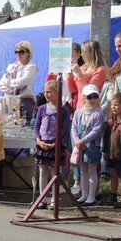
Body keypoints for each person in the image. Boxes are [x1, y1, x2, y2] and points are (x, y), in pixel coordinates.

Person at [33, 80, 71, 209]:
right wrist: (38, 140)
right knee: (42, 170)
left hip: (55, 143)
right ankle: (42, 199)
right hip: (42, 142)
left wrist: (56, 143)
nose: (46, 95)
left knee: (55, 172)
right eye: (45, 92)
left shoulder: (64, 109)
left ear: (57, 92)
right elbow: (37, 125)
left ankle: (54, 199)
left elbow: (65, 129)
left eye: (49, 92)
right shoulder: (43, 108)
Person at [71, 84, 104, 206]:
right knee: (83, 171)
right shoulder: (78, 112)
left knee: (92, 171)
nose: (92, 99)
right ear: (84, 98)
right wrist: (76, 141)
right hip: (80, 144)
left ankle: (91, 196)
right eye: (89, 96)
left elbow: (96, 131)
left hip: (92, 145)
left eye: (95, 96)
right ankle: (84, 194)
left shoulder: (98, 114)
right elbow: (74, 127)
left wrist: (82, 141)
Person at [0, 41, 38, 121]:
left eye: (21, 52)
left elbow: (22, 82)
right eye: (16, 52)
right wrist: (13, 88)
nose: (18, 54)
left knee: (23, 130)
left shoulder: (31, 67)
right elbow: (1, 84)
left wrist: (9, 84)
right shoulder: (11, 66)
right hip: (8, 103)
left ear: (28, 53)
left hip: (24, 103)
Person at [67, 40, 108, 112]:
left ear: (90, 53)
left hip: (92, 110)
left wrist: (79, 75)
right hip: (79, 109)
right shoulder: (83, 68)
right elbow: (72, 89)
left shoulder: (100, 70)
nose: (82, 54)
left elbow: (89, 92)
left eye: (83, 52)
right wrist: (69, 75)